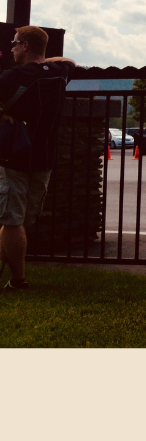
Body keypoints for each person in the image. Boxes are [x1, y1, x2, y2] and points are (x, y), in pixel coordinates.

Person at [0, 26, 76, 289]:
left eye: (15, 43)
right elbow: (69, 61)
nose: (11, 48)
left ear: (25, 46)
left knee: (12, 221)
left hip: (13, 157)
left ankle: (18, 281)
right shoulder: (61, 74)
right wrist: (45, 61)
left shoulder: (12, 77)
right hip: (44, 158)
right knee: (21, 220)